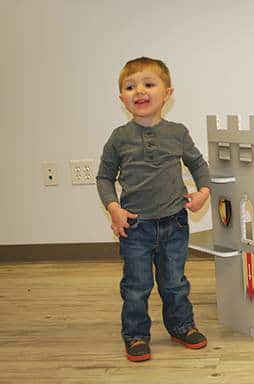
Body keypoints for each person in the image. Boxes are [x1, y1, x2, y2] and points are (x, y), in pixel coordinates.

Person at [96, 57, 210, 362]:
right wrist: (114, 209)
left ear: (167, 93)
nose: (139, 91)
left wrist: (203, 192)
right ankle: (135, 334)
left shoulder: (178, 133)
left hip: (174, 223)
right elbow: (104, 177)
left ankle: (181, 326)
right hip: (136, 227)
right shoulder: (119, 138)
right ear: (122, 98)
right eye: (130, 87)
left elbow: (198, 164)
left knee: (174, 282)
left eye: (148, 84)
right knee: (136, 285)